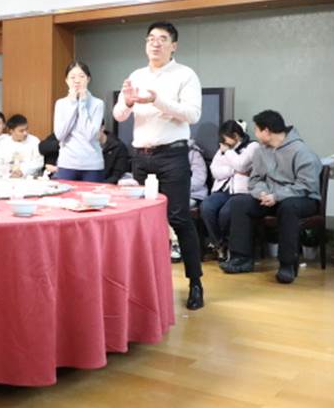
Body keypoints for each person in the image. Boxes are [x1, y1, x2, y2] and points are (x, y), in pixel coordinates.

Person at [113, 21, 204, 310]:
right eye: (151, 38)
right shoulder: (136, 75)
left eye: (162, 39)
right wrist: (128, 102)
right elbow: (118, 115)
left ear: (173, 46)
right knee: (143, 222)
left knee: (179, 218)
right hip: (141, 157)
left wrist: (157, 100)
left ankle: (195, 283)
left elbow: (192, 114)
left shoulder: (185, 74)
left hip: (172, 156)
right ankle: (145, 286)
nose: (155, 43)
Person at [220, 110, 321, 284]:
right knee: (240, 203)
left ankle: (287, 265)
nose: (255, 134)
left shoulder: (302, 151)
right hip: (271, 198)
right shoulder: (261, 151)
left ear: (266, 131)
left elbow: (306, 185)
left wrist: (277, 195)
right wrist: (262, 193)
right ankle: (241, 259)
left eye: (257, 129)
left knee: (288, 207)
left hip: (302, 198)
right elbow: (255, 179)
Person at [200, 120, 259, 260]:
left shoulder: (252, 146)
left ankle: (230, 245)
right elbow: (215, 171)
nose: (223, 141)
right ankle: (219, 244)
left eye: (226, 138)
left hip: (241, 191)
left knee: (225, 213)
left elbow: (241, 165)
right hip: (223, 189)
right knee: (207, 207)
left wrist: (228, 153)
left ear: (236, 135)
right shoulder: (223, 148)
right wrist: (233, 171)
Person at [52, 61, 105, 181]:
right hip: (67, 163)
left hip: (92, 164)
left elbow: (90, 135)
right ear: (66, 80)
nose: (77, 81)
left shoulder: (98, 103)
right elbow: (60, 135)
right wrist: (73, 104)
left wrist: (82, 104)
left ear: (88, 79)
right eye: (72, 77)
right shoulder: (61, 104)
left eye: (81, 76)